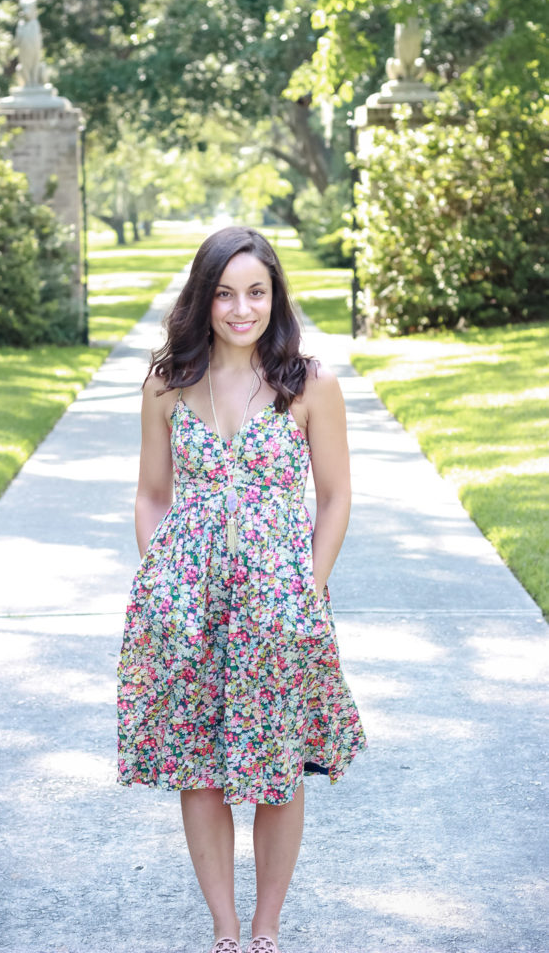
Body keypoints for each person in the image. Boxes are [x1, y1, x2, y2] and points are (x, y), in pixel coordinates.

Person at [117, 226, 366, 953]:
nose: (239, 308)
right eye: (223, 293)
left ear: (274, 297)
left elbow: (336, 497)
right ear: (202, 299)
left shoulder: (310, 382)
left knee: (277, 769)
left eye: (255, 292)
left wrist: (307, 591)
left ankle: (265, 928)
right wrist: (160, 579)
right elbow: (150, 494)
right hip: (186, 609)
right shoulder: (167, 383)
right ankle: (224, 929)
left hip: (276, 606)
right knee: (198, 767)